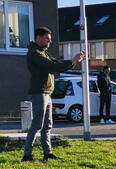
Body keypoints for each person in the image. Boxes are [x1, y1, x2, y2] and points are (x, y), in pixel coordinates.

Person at [22, 27, 85, 161]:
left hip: (46, 93)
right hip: (39, 92)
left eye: (50, 39)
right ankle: (27, 155)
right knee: (37, 125)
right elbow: (52, 66)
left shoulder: (43, 52)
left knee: (47, 125)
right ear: (39, 38)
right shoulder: (34, 53)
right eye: (47, 39)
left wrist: (73, 62)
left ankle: (47, 153)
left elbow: (56, 63)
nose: (49, 42)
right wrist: (72, 61)